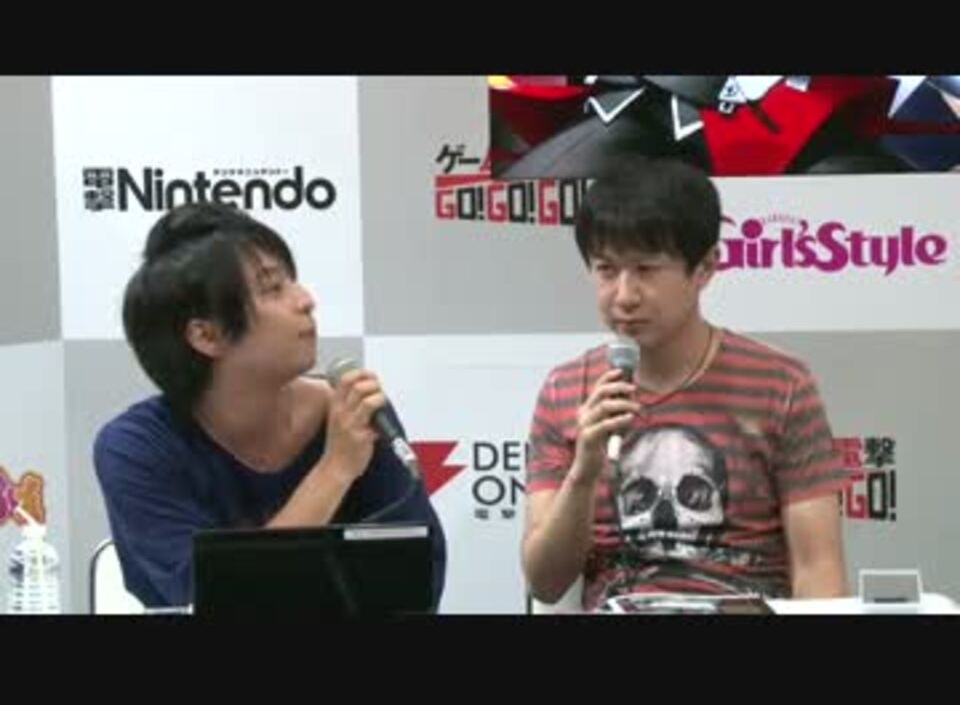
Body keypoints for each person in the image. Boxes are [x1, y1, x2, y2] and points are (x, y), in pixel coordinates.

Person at [522, 156, 849, 611]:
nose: (624, 296)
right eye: (607, 270)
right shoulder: (566, 391)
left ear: (706, 268)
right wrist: (584, 471)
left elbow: (820, 572)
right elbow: (544, 582)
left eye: (647, 269)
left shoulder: (781, 385)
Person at [94, 202, 446, 611]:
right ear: (207, 336)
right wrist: (335, 470)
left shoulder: (351, 413)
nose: (306, 301)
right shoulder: (137, 448)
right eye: (273, 288)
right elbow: (214, 602)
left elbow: (419, 578)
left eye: (293, 282)